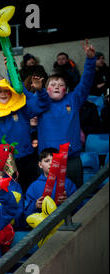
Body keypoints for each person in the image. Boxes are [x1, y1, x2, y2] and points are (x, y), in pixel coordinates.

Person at [35, 39, 97, 188]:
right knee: (50, 203)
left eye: (61, 85)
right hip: (49, 162)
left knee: (75, 199)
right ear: (46, 88)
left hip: (72, 160)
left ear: (66, 89)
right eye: (53, 84)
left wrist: (90, 60)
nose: (57, 87)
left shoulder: (73, 99)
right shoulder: (41, 102)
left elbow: (86, 82)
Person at [24, 148, 77, 219]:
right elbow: (26, 215)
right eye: (47, 161)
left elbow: (79, 208)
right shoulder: (34, 186)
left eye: (55, 160)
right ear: (40, 165)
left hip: (64, 225)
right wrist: (35, 206)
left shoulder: (67, 183)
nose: (51, 163)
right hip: (42, 226)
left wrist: (68, 202)